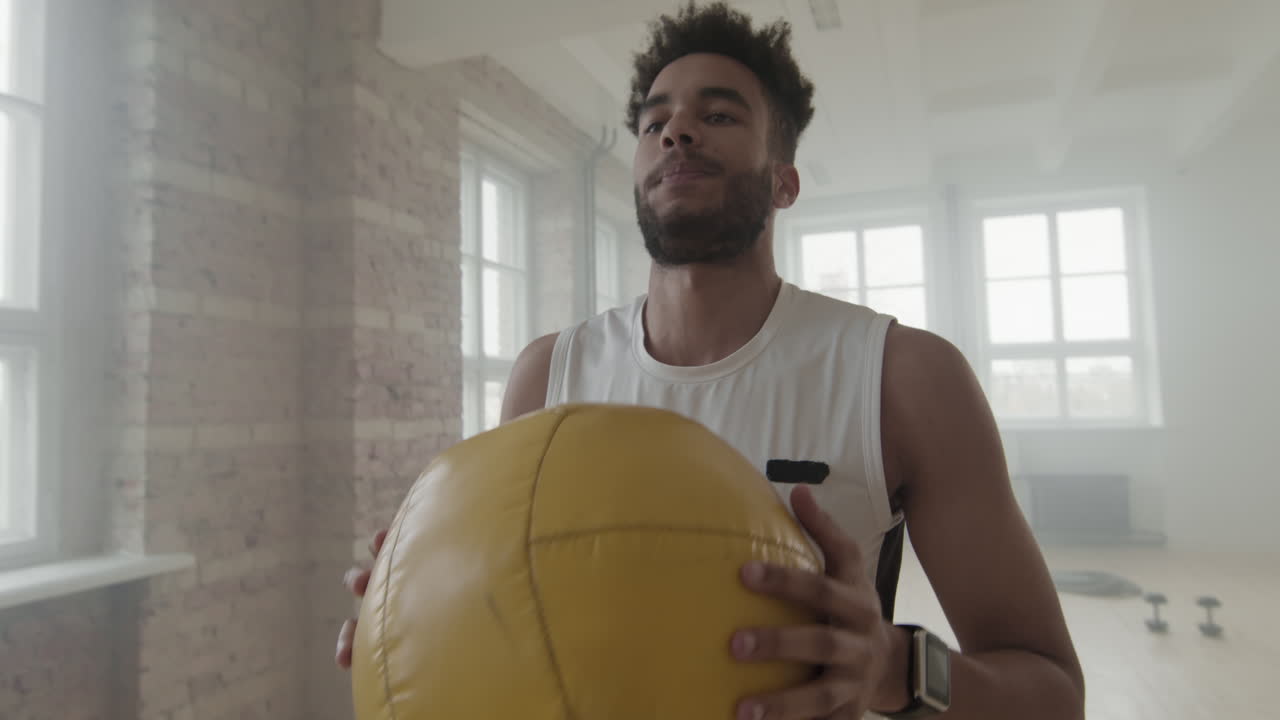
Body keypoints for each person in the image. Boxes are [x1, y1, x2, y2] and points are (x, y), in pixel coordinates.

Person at [337, 3, 1085, 719]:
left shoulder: (903, 377)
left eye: (718, 115)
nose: (677, 133)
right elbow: (516, 617)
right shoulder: (548, 375)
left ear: (784, 181)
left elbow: (1052, 695)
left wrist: (891, 668)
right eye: (654, 121)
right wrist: (415, 614)